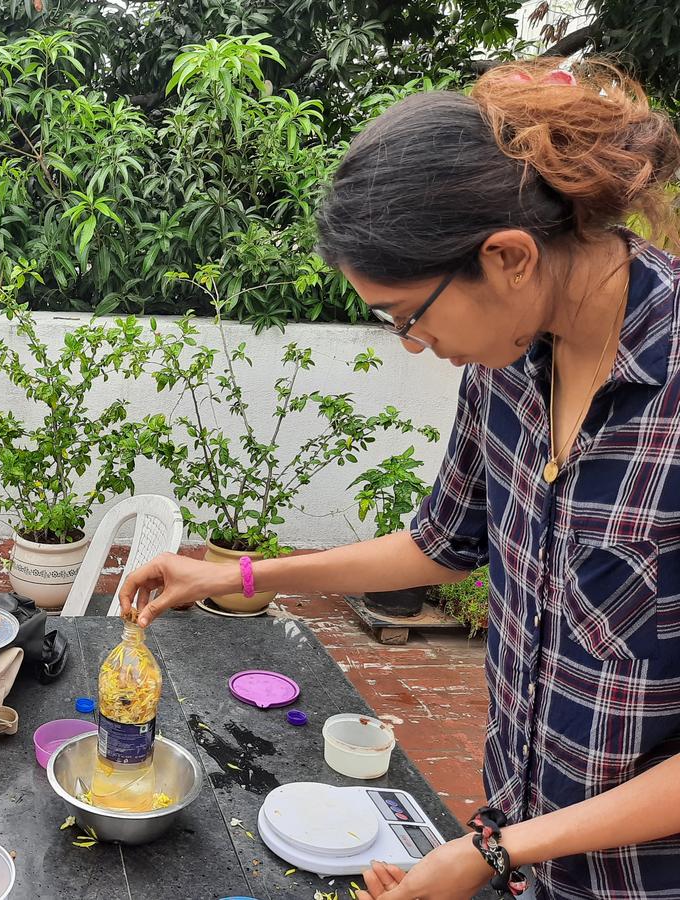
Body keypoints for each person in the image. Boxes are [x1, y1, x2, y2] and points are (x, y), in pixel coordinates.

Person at [120, 60, 680, 900]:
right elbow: (442, 545)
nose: (414, 345)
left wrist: (491, 854)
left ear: (508, 256)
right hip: (521, 850)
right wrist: (234, 574)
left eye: (408, 317)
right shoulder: (509, 365)